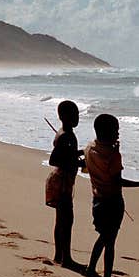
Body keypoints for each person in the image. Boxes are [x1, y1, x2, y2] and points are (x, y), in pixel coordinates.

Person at [84, 113, 139, 277]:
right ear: (108, 133)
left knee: (103, 237)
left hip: (97, 200)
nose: (118, 134)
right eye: (116, 131)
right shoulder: (113, 155)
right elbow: (117, 181)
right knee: (110, 241)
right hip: (113, 202)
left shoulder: (89, 148)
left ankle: (91, 268)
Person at [46, 100, 84, 268]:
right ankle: (66, 258)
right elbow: (54, 159)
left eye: (77, 115)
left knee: (61, 219)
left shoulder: (66, 133)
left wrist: (82, 153)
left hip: (63, 181)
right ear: (62, 117)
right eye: (73, 115)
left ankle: (59, 255)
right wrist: (79, 163)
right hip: (62, 182)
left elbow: (66, 154)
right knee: (66, 220)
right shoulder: (65, 135)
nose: (76, 118)